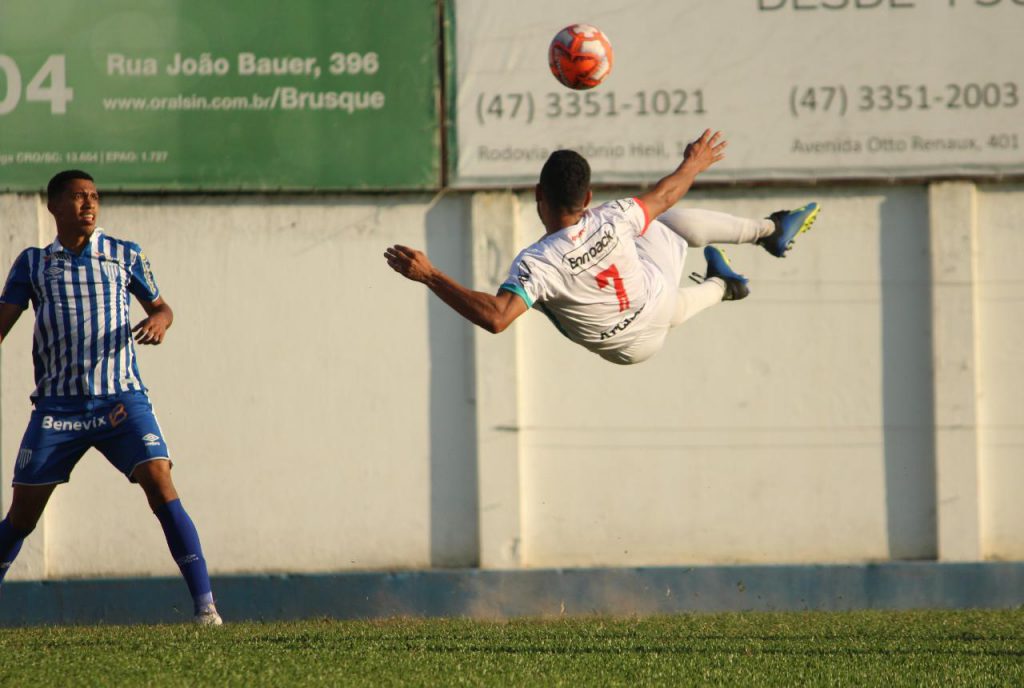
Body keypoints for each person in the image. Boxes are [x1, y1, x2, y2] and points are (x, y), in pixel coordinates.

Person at [385, 130, 819, 365]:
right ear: (588, 197)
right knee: (661, 219)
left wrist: (430, 275)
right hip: (655, 304)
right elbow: (667, 194)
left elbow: (498, 319)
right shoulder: (611, 216)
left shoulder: (537, 263)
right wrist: (693, 162)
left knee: (541, 298)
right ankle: (768, 230)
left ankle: (724, 286)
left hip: (627, 350)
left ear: (539, 195)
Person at [0, 170, 221, 625]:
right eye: (78, 196)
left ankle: (206, 608)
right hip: (58, 408)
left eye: (94, 196)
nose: (89, 203)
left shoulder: (124, 254)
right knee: (22, 517)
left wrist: (161, 320)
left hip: (121, 400)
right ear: (54, 205)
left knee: (159, 481)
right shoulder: (34, 263)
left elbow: (161, 306)